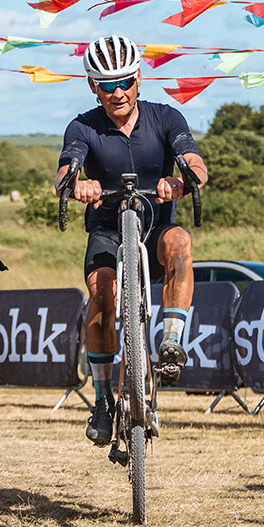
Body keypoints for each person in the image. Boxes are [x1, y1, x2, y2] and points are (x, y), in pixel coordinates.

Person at [55, 34, 208, 447]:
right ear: (93, 86)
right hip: (106, 229)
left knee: (181, 243)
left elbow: (192, 160)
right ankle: (103, 400)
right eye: (107, 85)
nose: (117, 92)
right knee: (102, 297)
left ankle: (172, 341)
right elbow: (67, 168)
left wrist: (184, 180)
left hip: (155, 226)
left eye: (124, 81)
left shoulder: (165, 116)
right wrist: (75, 184)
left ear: (139, 78)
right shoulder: (83, 126)